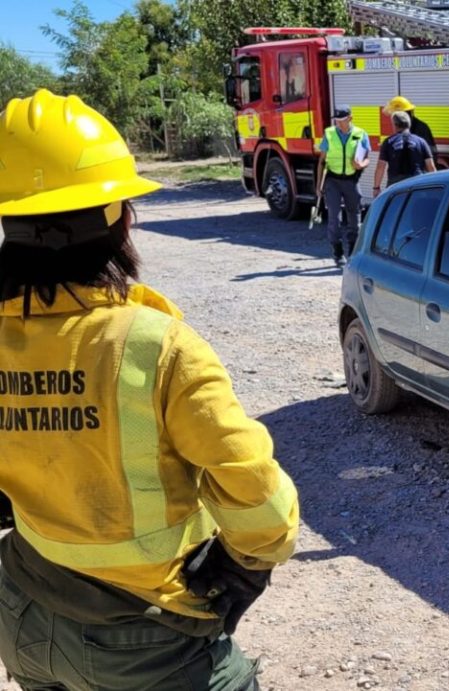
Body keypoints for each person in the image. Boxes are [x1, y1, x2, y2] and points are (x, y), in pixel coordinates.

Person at [0, 89, 300, 690]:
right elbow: (257, 496)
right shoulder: (156, 345)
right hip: (145, 637)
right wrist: (246, 565)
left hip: (23, 614)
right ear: (120, 219)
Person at [317, 105, 370, 266]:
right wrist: (319, 185)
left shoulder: (360, 134)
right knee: (334, 216)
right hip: (332, 180)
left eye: (342, 120)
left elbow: (367, 157)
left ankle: (353, 251)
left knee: (354, 216)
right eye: (337, 121)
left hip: (351, 180)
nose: (338, 124)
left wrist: (362, 164)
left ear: (350, 118)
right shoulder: (329, 133)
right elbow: (321, 161)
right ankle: (338, 252)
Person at [373, 111, 437, 194]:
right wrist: (435, 187)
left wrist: (376, 188)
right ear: (409, 124)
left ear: (395, 125)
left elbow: (380, 167)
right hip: (417, 182)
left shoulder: (388, 142)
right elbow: (431, 167)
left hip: (395, 185)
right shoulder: (421, 142)